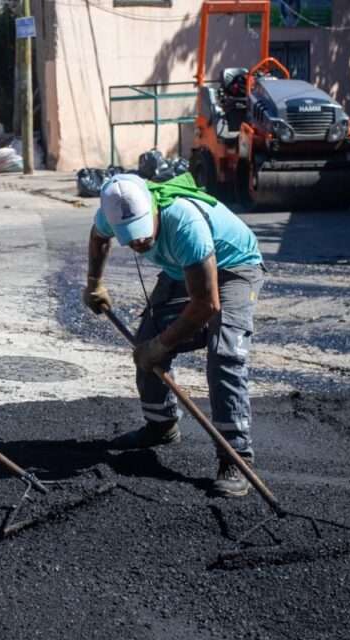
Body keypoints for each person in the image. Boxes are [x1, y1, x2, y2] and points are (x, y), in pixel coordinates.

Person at [81, 171, 266, 497]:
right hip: (184, 270)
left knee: (224, 353)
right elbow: (98, 238)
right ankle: (161, 425)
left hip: (235, 267)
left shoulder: (184, 223)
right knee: (145, 343)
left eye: (141, 231)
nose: (138, 243)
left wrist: (163, 344)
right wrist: (94, 283)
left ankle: (236, 457)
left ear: (153, 209)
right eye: (131, 237)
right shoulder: (112, 208)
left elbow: (206, 303)